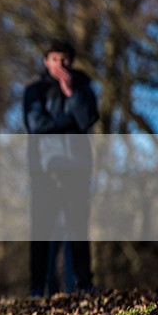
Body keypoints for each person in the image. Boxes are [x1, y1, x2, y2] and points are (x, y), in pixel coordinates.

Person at [24, 39, 99, 295]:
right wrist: (71, 120)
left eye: (64, 59)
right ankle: (37, 287)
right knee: (41, 229)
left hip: (77, 169)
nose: (60, 64)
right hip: (46, 170)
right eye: (55, 58)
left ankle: (84, 284)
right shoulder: (34, 91)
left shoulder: (83, 88)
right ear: (46, 61)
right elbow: (36, 126)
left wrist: (71, 93)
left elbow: (88, 119)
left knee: (78, 228)